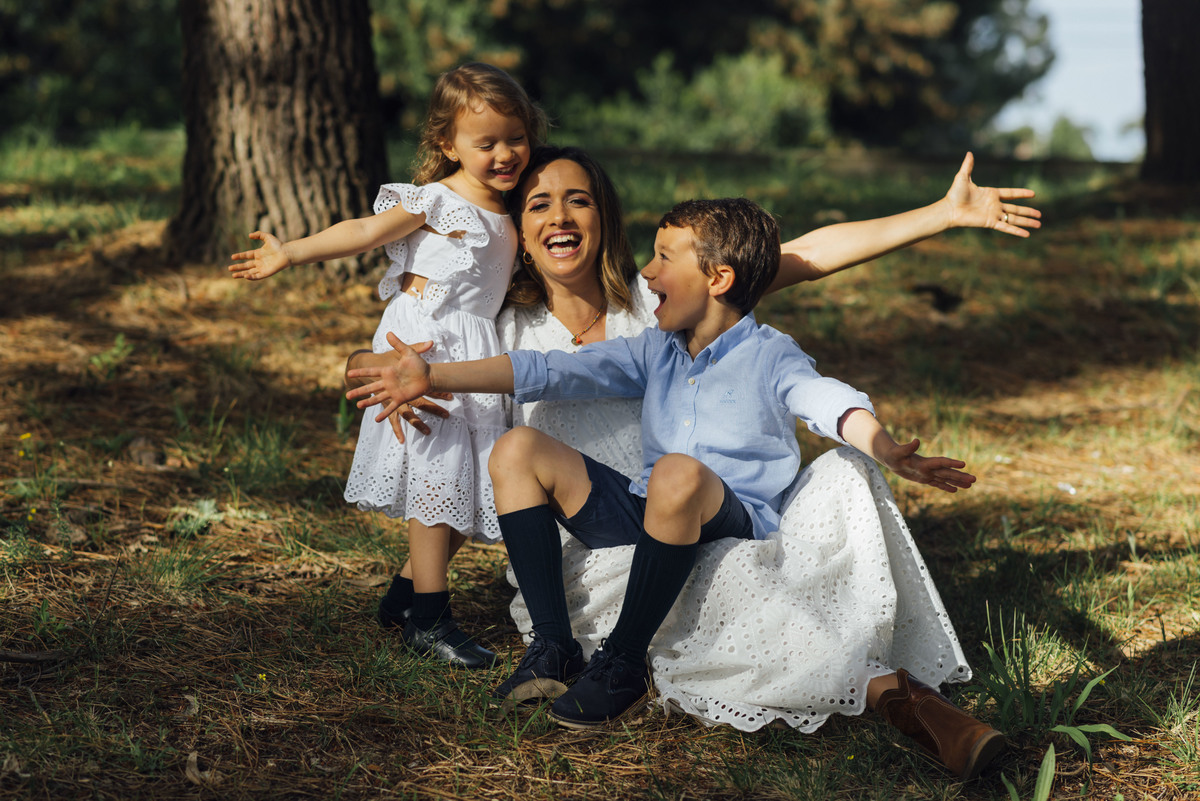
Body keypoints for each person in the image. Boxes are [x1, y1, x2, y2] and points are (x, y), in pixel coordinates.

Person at [346, 196, 1013, 780]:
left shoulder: (769, 351)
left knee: (677, 473)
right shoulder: (653, 348)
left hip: (728, 514)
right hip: (644, 509)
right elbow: (546, 368)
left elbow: (827, 399)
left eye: (664, 259)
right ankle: (552, 646)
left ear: (718, 278)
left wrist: (885, 444)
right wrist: (432, 377)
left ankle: (623, 664)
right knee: (519, 447)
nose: (648, 273)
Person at [228, 63, 548, 670]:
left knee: (472, 486)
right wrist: (291, 253)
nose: (505, 153)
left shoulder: (514, 210)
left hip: (473, 354)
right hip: (426, 346)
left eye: (515, 138)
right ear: (446, 145)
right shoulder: (437, 200)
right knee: (440, 480)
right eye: (486, 143)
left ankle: (404, 597)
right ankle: (429, 616)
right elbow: (366, 230)